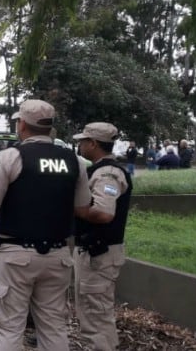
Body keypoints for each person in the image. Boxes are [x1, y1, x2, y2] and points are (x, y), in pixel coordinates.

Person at [0, 99, 91, 350]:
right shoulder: (74, 161)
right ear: (49, 127)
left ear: (22, 124)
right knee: (53, 326)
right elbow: (82, 208)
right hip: (59, 256)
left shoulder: (10, 157)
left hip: (16, 255)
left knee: (8, 326)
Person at [73, 122, 132, 351]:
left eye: (83, 141)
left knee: (95, 313)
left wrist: (76, 210)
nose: (79, 145)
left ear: (93, 143)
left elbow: (104, 213)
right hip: (96, 252)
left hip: (99, 255)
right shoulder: (99, 169)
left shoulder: (108, 173)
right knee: (94, 311)